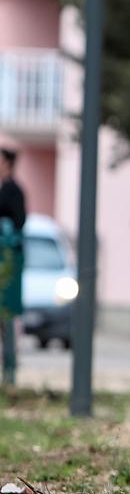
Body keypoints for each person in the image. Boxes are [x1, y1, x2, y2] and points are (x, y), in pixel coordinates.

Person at [0, 147, 25, 386]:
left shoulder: (13, 191)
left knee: (6, 316)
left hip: (6, 259)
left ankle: (10, 368)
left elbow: (18, 222)